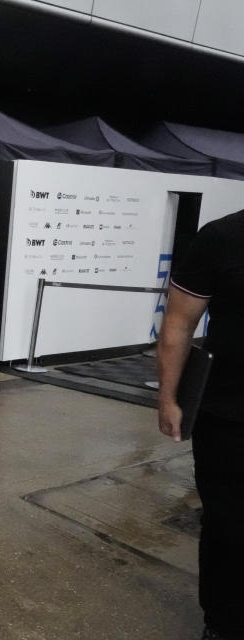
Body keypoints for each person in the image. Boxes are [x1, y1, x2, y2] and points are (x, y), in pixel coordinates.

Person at [157, 209, 244, 640]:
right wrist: (169, 398)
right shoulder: (223, 236)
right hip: (229, 416)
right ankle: (224, 623)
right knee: (228, 526)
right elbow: (178, 323)